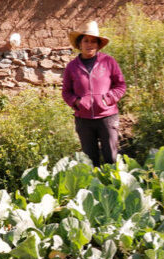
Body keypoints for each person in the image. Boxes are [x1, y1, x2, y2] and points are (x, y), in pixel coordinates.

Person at [62, 21, 126, 167]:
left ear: (98, 44)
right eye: (86, 41)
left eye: (93, 41)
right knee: (90, 161)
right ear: (80, 44)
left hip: (107, 117)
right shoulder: (72, 67)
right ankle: (94, 188)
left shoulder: (108, 62)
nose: (89, 44)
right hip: (84, 121)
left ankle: (114, 187)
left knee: (111, 158)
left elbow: (120, 85)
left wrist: (107, 99)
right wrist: (77, 102)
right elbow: (66, 92)